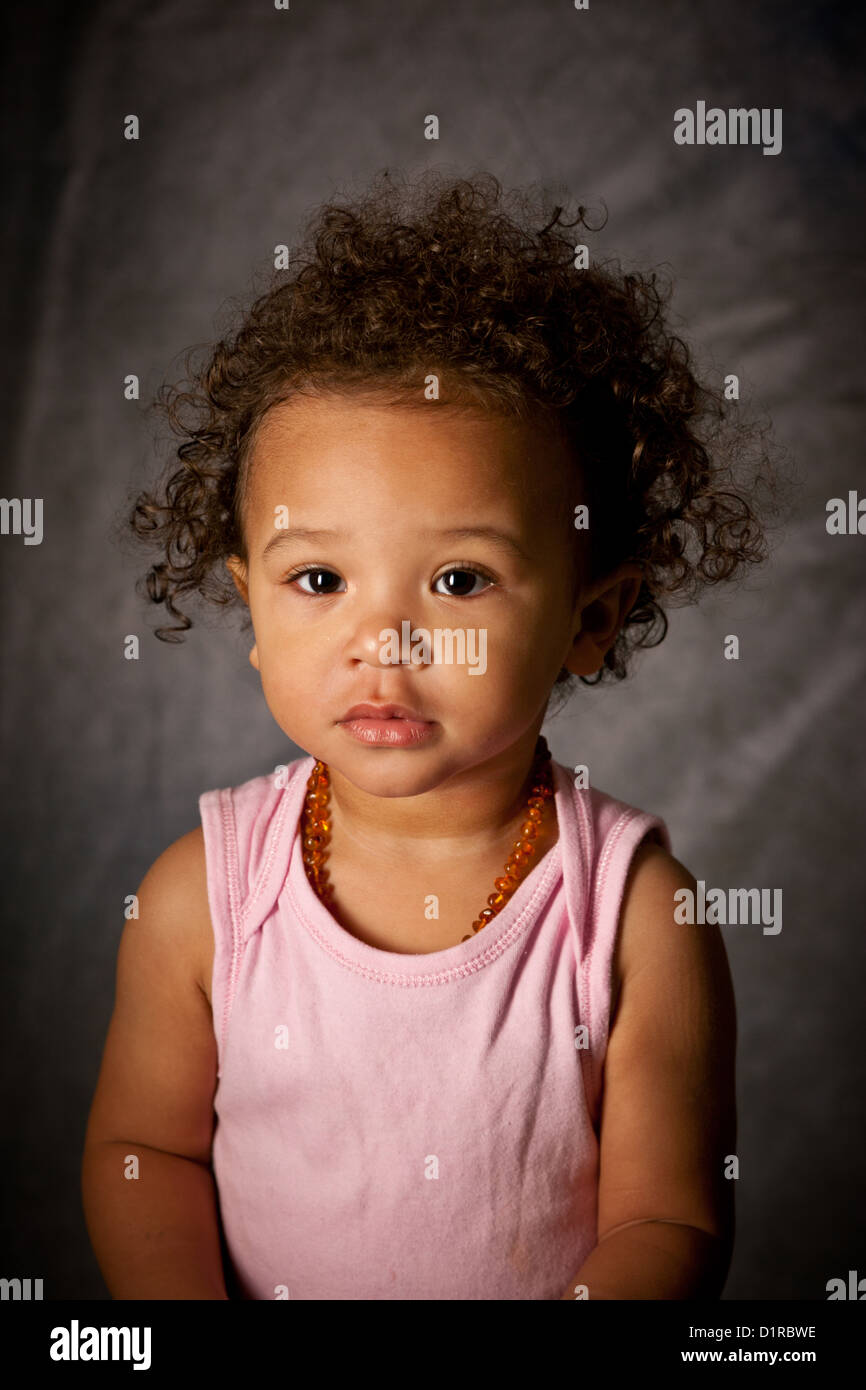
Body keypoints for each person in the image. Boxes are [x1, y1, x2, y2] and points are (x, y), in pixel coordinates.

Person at [81, 169, 779, 1299]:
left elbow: (666, 1219)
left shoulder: (636, 916)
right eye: (318, 577)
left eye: (458, 578)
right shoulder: (201, 898)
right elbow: (143, 1153)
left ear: (587, 618)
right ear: (249, 608)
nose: (383, 638)